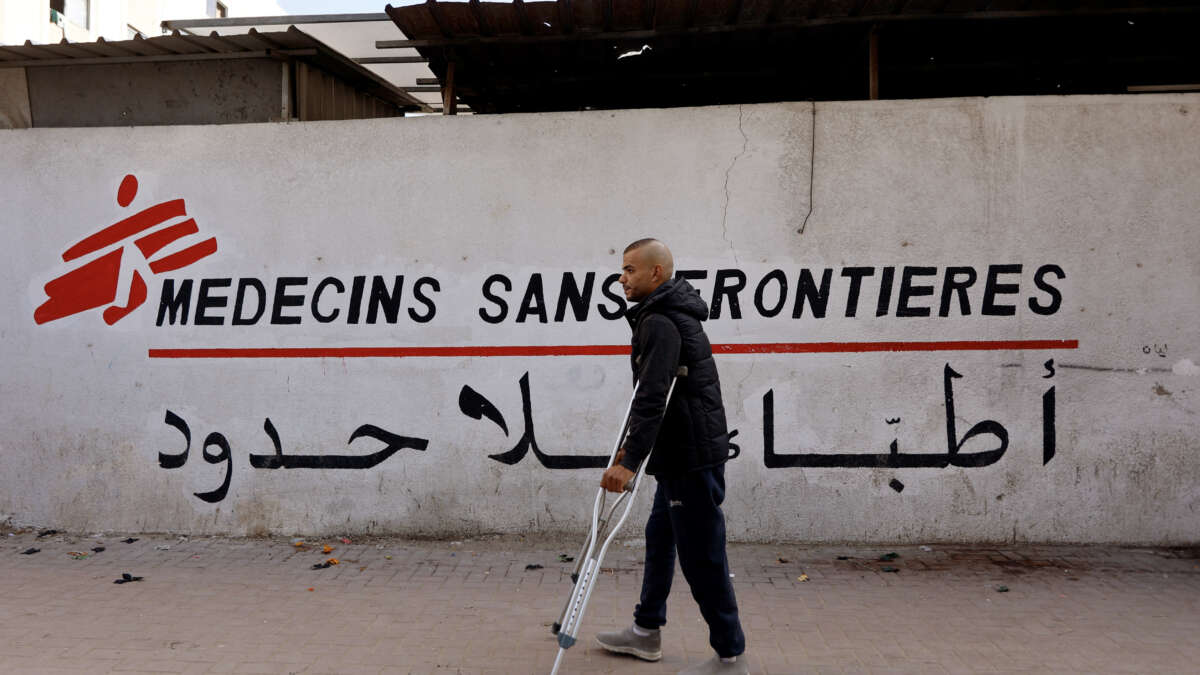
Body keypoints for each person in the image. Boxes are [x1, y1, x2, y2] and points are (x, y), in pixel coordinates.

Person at [596, 238, 748, 675]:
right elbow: (660, 396)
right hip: (680, 452)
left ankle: (730, 656)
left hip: (689, 457)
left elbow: (652, 396)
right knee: (661, 538)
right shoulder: (664, 315)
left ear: (655, 273)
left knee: (702, 555)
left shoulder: (660, 321)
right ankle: (646, 630)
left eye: (629, 270)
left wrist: (628, 463)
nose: (621, 279)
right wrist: (635, 447)